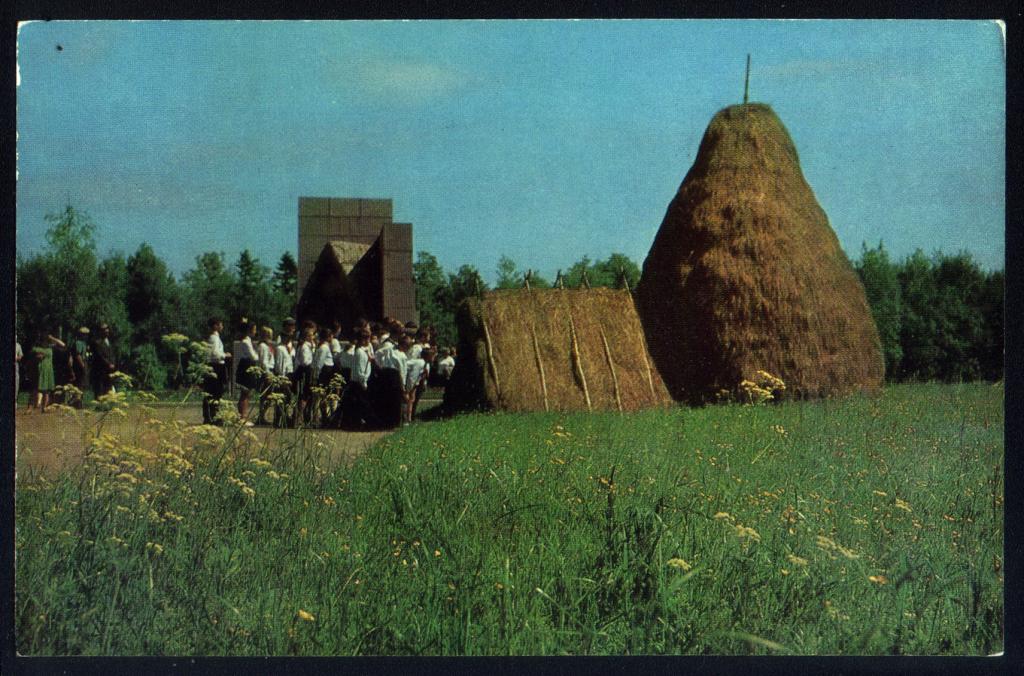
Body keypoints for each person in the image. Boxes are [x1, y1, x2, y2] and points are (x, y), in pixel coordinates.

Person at [373, 326, 408, 429]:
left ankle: (393, 421)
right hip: (389, 373)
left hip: (391, 372)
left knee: (394, 400)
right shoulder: (388, 345)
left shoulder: (394, 345)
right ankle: (391, 422)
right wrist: (380, 366)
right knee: (392, 399)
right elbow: (378, 354)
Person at [340, 327, 376, 430]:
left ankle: (359, 423)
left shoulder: (364, 351)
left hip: (361, 381)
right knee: (360, 404)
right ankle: (357, 424)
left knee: (361, 405)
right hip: (359, 382)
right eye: (368, 338)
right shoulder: (359, 352)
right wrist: (363, 383)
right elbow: (360, 370)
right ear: (363, 339)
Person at [202, 318, 231, 425]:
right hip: (215, 367)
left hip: (216, 366)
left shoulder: (215, 338)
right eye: (220, 324)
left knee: (216, 392)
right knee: (214, 392)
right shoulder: (214, 338)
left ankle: (213, 415)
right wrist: (225, 355)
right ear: (215, 326)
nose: (222, 327)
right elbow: (215, 354)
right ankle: (211, 416)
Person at [29, 332, 65, 413]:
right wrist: (38, 356)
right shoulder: (37, 348)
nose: (45, 342)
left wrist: (52, 338)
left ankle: (44, 407)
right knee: (40, 388)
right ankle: (38, 404)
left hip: (49, 371)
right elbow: (35, 355)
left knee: (47, 390)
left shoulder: (50, 347)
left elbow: (63, 345)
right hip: (41, 370)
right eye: (44, 340)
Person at [234, 320, 260, 426]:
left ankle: (243, 415)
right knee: (245, 392)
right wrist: (257, 355)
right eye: (254, 329)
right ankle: (242, 417)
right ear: (249, 330)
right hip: (246, 366)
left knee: (247, 393)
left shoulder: (247, 340)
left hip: (247, 365)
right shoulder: (245, 341)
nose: (255, 331)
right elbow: (253, 356)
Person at [273, 323, 295, 427]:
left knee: (287, 398)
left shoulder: (287, 348)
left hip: (289, 374)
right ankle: (279, 419)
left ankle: (283, 418)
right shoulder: (280, 349)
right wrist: (282, 377)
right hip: (283, 375)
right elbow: (279, 363)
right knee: (283, 397)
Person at [293, 325, 316, 425]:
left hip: (305, 370)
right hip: (305, 371)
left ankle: (303, 417)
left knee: (307, 395)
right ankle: (298, 417)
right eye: (311, 335)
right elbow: (305, 361)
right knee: (304, 395)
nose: (313, 337)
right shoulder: (304, 347)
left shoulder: (308, 346)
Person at [256, 326, 276, 425]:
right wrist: (268, 373)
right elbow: (263, 362)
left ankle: (262, 415)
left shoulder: (268, 346)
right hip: (266, 372)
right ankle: (261, 416)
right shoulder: (263, 346)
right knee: (266, 395)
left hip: (270, 370)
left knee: (268, 396)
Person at [90, 322, 116, 399]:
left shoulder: (109, 341)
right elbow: (100, 356)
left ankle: (107, 404)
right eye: (104, 329)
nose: (107, 331)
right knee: (100, 388)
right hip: (100, 369)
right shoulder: (97, 342)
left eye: (107, 329)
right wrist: (108, 364)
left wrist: (113, 363)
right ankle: (99, 405)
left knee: (108, 387)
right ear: (100, 331)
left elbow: (112, 354)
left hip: (109, 370)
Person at [69, 327, 91, 408]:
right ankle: (76, 402)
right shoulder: (78, 343)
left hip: (83, 362)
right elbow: (78, 355)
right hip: (79, 365)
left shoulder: (84, 343)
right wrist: (83, 365)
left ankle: (79, 402)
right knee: (79, 383)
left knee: (82, 384)